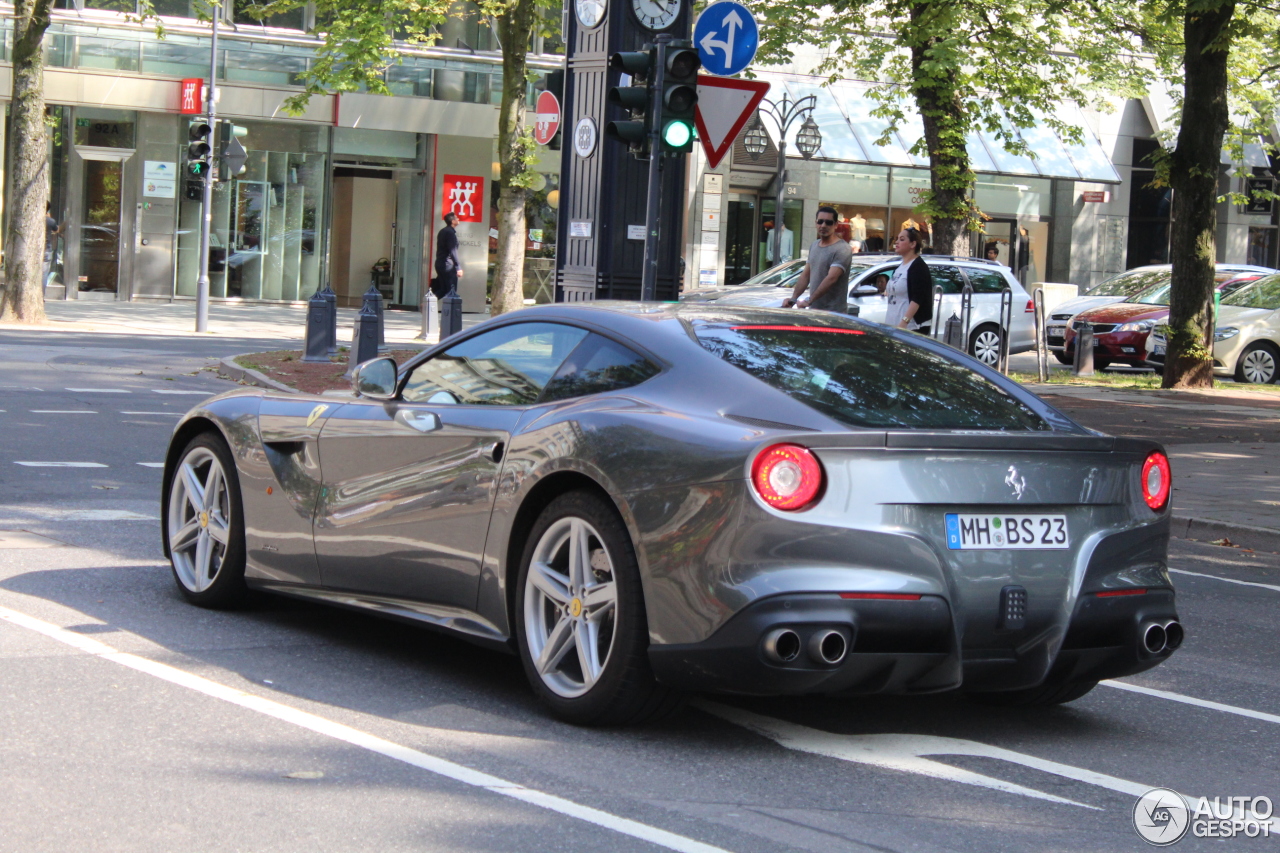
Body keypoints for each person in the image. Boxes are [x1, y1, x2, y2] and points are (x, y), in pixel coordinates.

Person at [782, 206, 852, 314]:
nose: (823, 225)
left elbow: (831, 278)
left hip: (834, 314)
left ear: (836, 225)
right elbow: (806, 275)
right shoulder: (814, 245)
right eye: (820, 221)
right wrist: (793, 299)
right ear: (816, 223)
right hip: (815, 312)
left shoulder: (843, 249)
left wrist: (809, 300)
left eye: (828, 222)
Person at [884, 227, 933, 334]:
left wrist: (904, 321)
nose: (897, 242)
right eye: (897, 239)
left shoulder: (918, 267)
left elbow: (918, 297)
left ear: (912, 244)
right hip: (893, 324)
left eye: (902, 239)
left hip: (911, 327)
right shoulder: (900, 267)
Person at [433, 212, 462, 299]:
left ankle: (427, 303)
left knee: (443, 289)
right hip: (448, 265)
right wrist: (458, 267)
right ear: (453, 221)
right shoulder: (450, 233)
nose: (458, 219)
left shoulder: (443, 231)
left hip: (440, 263)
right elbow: (453, 251)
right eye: (457, 218)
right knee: (451, 291)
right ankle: (451, 312)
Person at [44, 203, 62, 288]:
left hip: (34, 251)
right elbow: (56, 230)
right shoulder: (50, 221)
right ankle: (41, 294)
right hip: (46, 249)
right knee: (43, 274)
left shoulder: (32, 219)